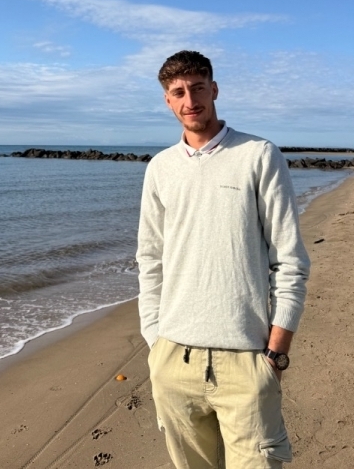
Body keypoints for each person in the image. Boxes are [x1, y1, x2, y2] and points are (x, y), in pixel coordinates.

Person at [136, 50, 311, 469]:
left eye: (198, 88)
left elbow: (289, 259)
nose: (190, 100)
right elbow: (150, 258)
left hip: (246, 359)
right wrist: (154, 340)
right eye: (178, 92)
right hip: (173, 359)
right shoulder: (160, 168)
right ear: (167, 100)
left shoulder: (258, 154)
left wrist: (276, 354)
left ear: (214, 90)